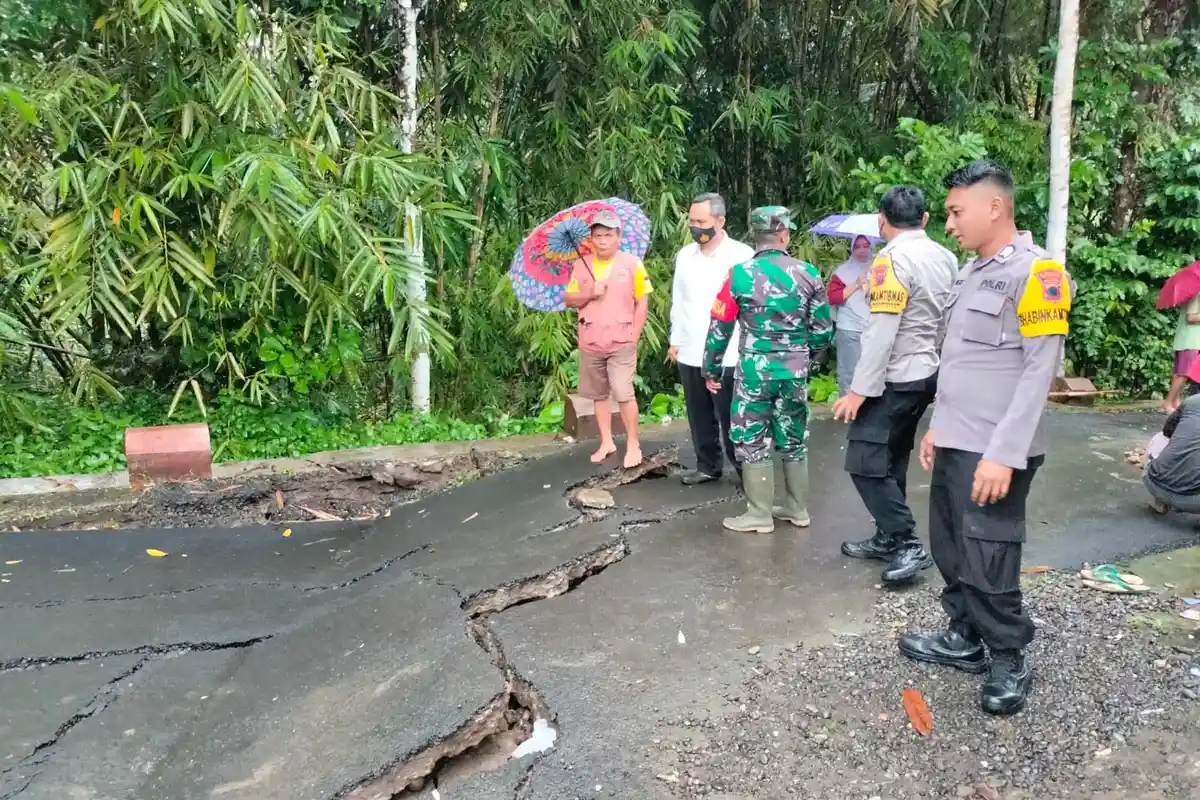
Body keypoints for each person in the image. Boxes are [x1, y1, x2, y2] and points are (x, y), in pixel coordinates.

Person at [902, 160, 1073, 716]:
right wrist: (937, 428)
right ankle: (965, 637)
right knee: (950, 544)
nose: (948, 223)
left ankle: (1007, 656)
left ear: (994, 207)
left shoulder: (1040, 274)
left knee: (989, 554)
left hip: (998, 448)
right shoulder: (969, 273)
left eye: (956, 211)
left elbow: (1037, 372)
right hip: (957, 439)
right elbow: (963, 363)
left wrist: (1004, 453)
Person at [832, 186, 959, 585]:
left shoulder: (891, 261)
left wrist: (858, 390)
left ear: (881, 221)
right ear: (924, 220)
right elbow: (947, 322)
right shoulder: (946, 257)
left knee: (864, 462)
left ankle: (906, 541)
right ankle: (888, 536)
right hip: (927, 371)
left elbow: (882, 332)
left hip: (896, 376)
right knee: (892, 457)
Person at [703, 206, 833, 533]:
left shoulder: (739, 274)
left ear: (755, 237)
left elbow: (720, 327)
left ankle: (759, 513)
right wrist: (805, 359)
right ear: (784, 234)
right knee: (792, 436)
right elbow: (822, 331)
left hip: (753, 373)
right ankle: (797, 508)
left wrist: (711, 369)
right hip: (794, 372)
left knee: (751, 436)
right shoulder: (809, 274)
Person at [669, 193, 755, 485]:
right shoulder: (684, 256)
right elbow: (678, 300)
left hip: (729, 352)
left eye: (701, 221)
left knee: (732, 415)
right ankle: (708, 465)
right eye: (691, 221)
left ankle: (747, 472)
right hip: (691, 348)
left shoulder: (742, 255)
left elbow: (752, 304)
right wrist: (675, 337)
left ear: (721, 221)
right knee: (698, 413)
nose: (696, 227)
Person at [564, 208, 653, 468]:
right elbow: (570, 299)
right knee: (598, 395)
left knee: (624, 392)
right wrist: (589, 293)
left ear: (618, 236)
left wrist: (634, 335)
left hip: (621, 340)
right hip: (591, 340)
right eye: (598, 235)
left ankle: (633, 443)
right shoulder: (581, 265)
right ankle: (606, 441)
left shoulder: (632, 264)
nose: (602, 240)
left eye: (608, 235)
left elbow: (642, 303)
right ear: (590, 239)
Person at [826, 235, 874, 396]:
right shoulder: (843, 272)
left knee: (872, 372)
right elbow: (833, 297)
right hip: (850, 328)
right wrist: (856, 284)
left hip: (875, 327)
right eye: (857, 246)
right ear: (852, 249)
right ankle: (846, 412)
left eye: (866, 246)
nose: (861, 250)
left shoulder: (881, 269)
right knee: (849, 372)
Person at [1144, 391, 1200, 514]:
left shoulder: (1193, 400)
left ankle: (1160, 503)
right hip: (1195, 502)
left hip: (1154, 485)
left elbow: (1168, 430)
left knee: (1160, 437)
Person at [1163, 295, 1200, 413]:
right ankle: (1168, 402)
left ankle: (1175, 402)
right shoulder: (1197, 294)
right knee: (1183, 373)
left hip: (1188, 338)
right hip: (1191, 339)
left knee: (1179, 372)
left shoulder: (1192, 294)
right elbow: (1191, 317)